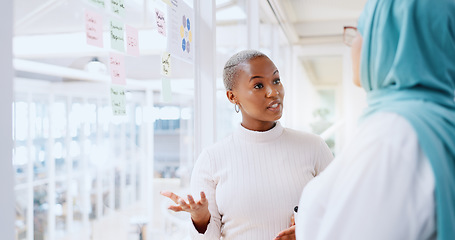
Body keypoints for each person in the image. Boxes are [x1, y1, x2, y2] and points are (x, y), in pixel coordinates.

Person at [295, 0, 455, 239]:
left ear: (390, 39)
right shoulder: (438, 120)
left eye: (359, 30)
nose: (352, 45)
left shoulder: (393, 136)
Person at [161, 50, 333, 239]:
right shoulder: (212, 159)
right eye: (258, 85)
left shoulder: (314, 147)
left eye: (276, 80)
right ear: (232, 97)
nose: (273, 92)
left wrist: (307, 233)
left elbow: (341, 215)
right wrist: (201, 219)